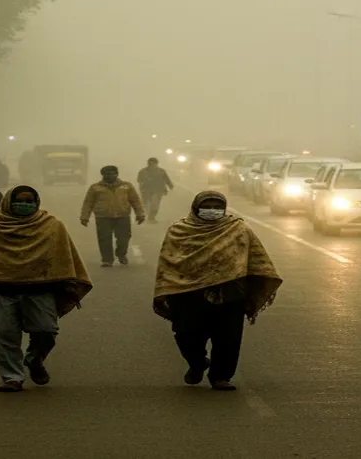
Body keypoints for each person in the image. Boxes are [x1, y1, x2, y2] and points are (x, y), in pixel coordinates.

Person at [0, 185, 92, 392]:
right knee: (4, 335)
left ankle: (34, 359)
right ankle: (12, 377)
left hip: (40, 289)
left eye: (30, 201)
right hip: (0, 290)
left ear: (37, 203)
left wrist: (69, 283)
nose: (25, 205)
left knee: (47, 331)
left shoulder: (52, 225)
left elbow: (63, 257)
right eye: (20, 200)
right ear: (8, 202)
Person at [153, 191, 282, 391]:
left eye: (217, 207)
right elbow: (168, 263)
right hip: (188, 293)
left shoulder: (238, 229)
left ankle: (221, 377)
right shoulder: (179, 231)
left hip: (230, 292)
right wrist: (164, 290)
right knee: (186, 335)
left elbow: (257, 260)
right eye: (207, 206)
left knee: (228, 338)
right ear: (196, 208)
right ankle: (197, 363)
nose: (212, 210)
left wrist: (254, 292)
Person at [80, 165, 145, 267]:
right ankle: (107, 259)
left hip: (122, 216)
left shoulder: (126, 186)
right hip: (103, 217)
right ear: (102, 175)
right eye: (106, 174)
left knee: (124, 238)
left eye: (111, 174)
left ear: (117, 174)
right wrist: (84, 217)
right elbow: (88, 203)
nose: (109, 176)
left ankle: (121, 254)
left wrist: (140, 214)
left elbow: (135, 200)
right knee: (104, 238)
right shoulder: (95, 187)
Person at [137, 158, 175, 224]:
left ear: (156, 164)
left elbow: (166, 179)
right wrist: (145, 181)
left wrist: (170, 186)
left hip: (158, 190)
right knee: (146, 204)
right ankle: (144, 216)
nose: (152, 165)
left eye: (154, 163)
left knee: (155, 205)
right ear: (148, 164)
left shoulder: (161, 171)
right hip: (146, 190)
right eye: (151, 163)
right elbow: (139, 180)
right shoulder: (143, 171)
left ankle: (151, 218)